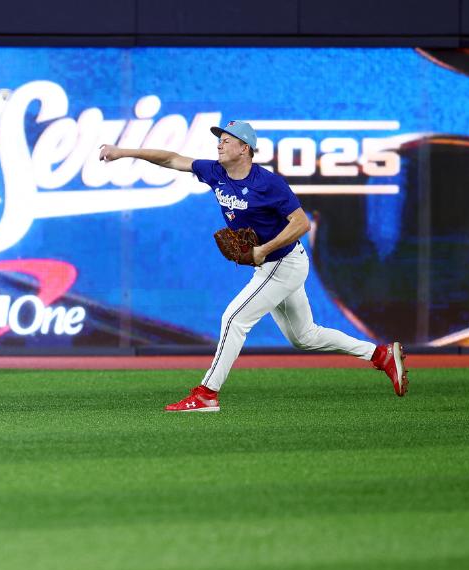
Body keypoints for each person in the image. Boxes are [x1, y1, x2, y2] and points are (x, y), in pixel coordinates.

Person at [99, 120, 408, 412]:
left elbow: (301, 223)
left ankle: (206, 394)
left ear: (244, 148)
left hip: (283, 263)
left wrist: (263, 249)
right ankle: (380, 355)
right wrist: (123, 152)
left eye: (226, 141)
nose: (219, 145)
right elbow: (171, 159)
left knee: (234, 319)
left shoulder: (268, 183)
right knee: (305, 336)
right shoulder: (215, 172)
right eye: (219, 140)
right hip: (275, 265)